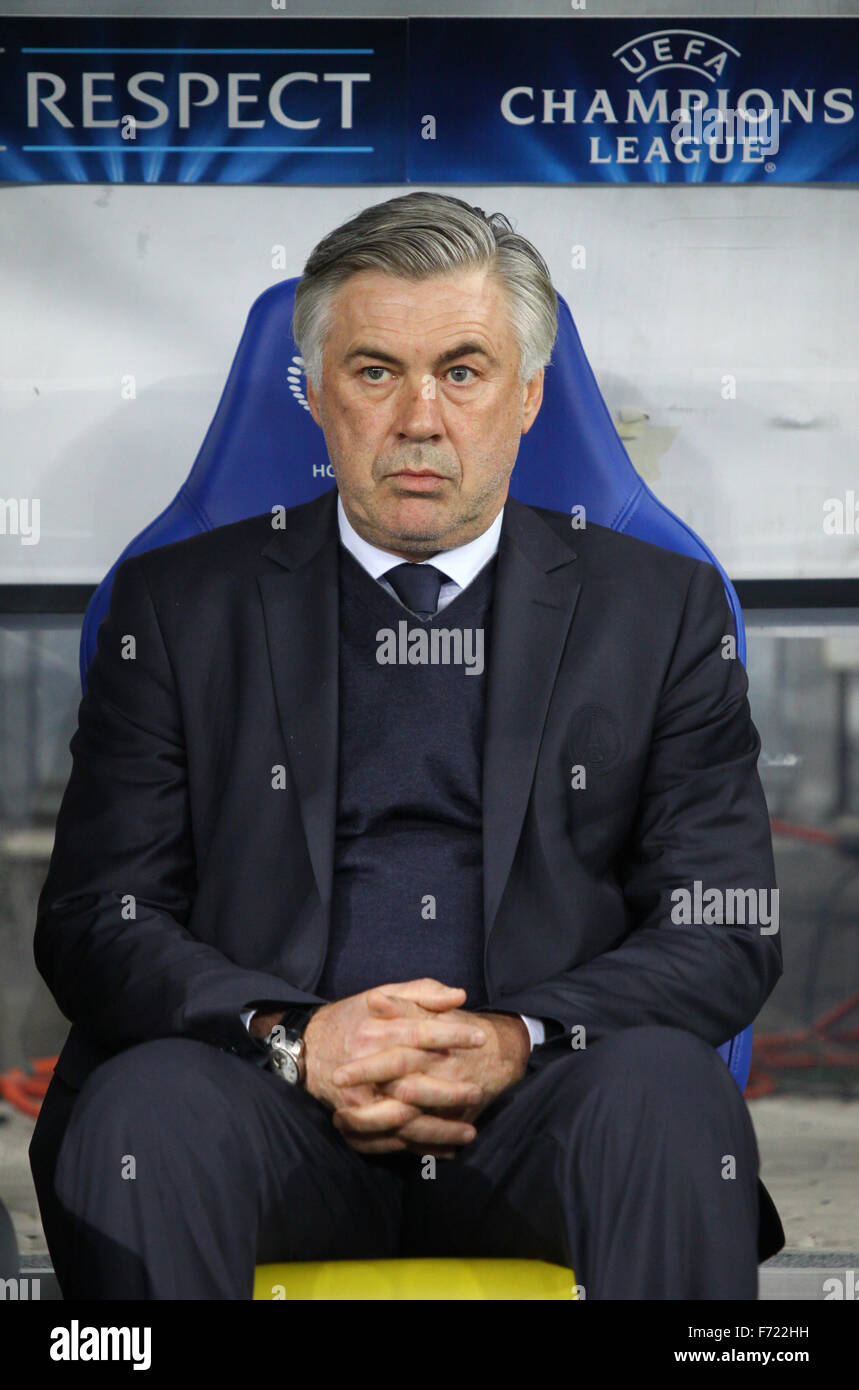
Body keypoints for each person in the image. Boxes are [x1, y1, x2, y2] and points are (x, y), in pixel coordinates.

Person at [29, 191, 784, 1300]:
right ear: (318, 394)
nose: (420, 417)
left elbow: (722, 928)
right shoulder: (178, 605)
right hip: (263, 1099)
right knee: (141, 1113)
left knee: (666, 1100)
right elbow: (98, 921)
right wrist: (295, 1035)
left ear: (528, 395)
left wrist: (516, 1038)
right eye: (376, 371)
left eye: (464, 371)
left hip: (546, 1106)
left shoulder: (660, 611)